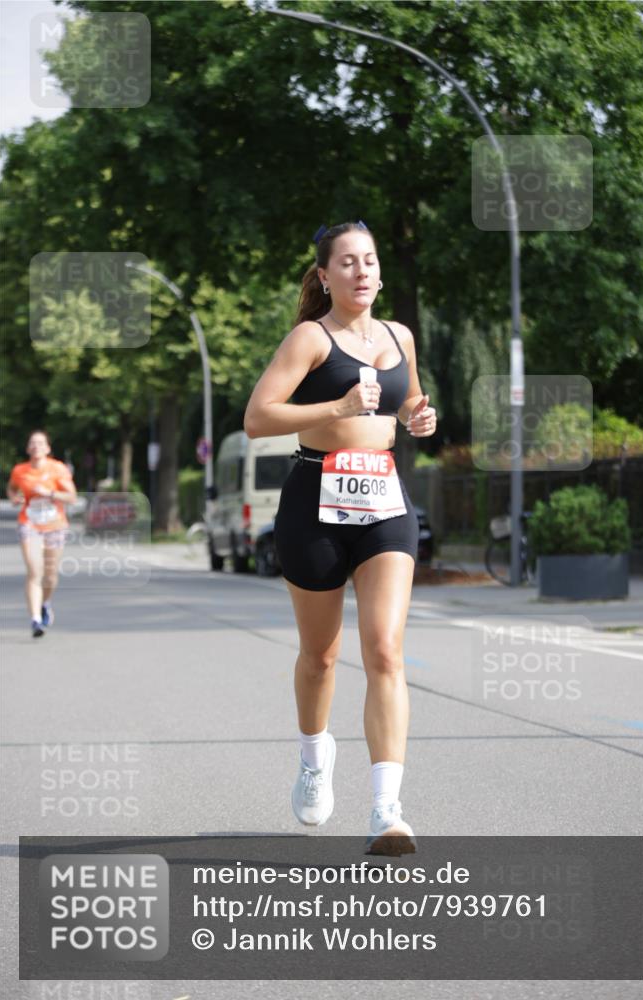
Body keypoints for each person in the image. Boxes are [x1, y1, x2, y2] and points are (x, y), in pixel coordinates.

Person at [244, 221, 437, 856]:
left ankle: (387, 810)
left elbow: (405, 403)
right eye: (347, 263)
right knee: (321, 657)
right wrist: (338, 408)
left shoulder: (400, 336)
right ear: (325, 275)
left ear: (381, 273)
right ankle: (313, 755)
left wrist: (416, 415)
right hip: (314, 499)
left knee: (384, 651)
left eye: (370, 261)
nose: (361, 271)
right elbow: (258, 418)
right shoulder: (310, 338)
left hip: (382, 497)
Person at [7, 430, 77, 638]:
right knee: (34, 572)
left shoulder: (58, 469)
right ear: (28, 448)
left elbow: (72, 497)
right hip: (29, 524)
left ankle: (45, 603)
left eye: (40, 443)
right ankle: (36, 619)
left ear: (47, 448)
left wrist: (50, 493)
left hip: (55, 525)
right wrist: (14, 498)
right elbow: (11, 489)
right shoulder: (20, 470)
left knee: (50, 575)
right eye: (32, 443)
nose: (36, 446)